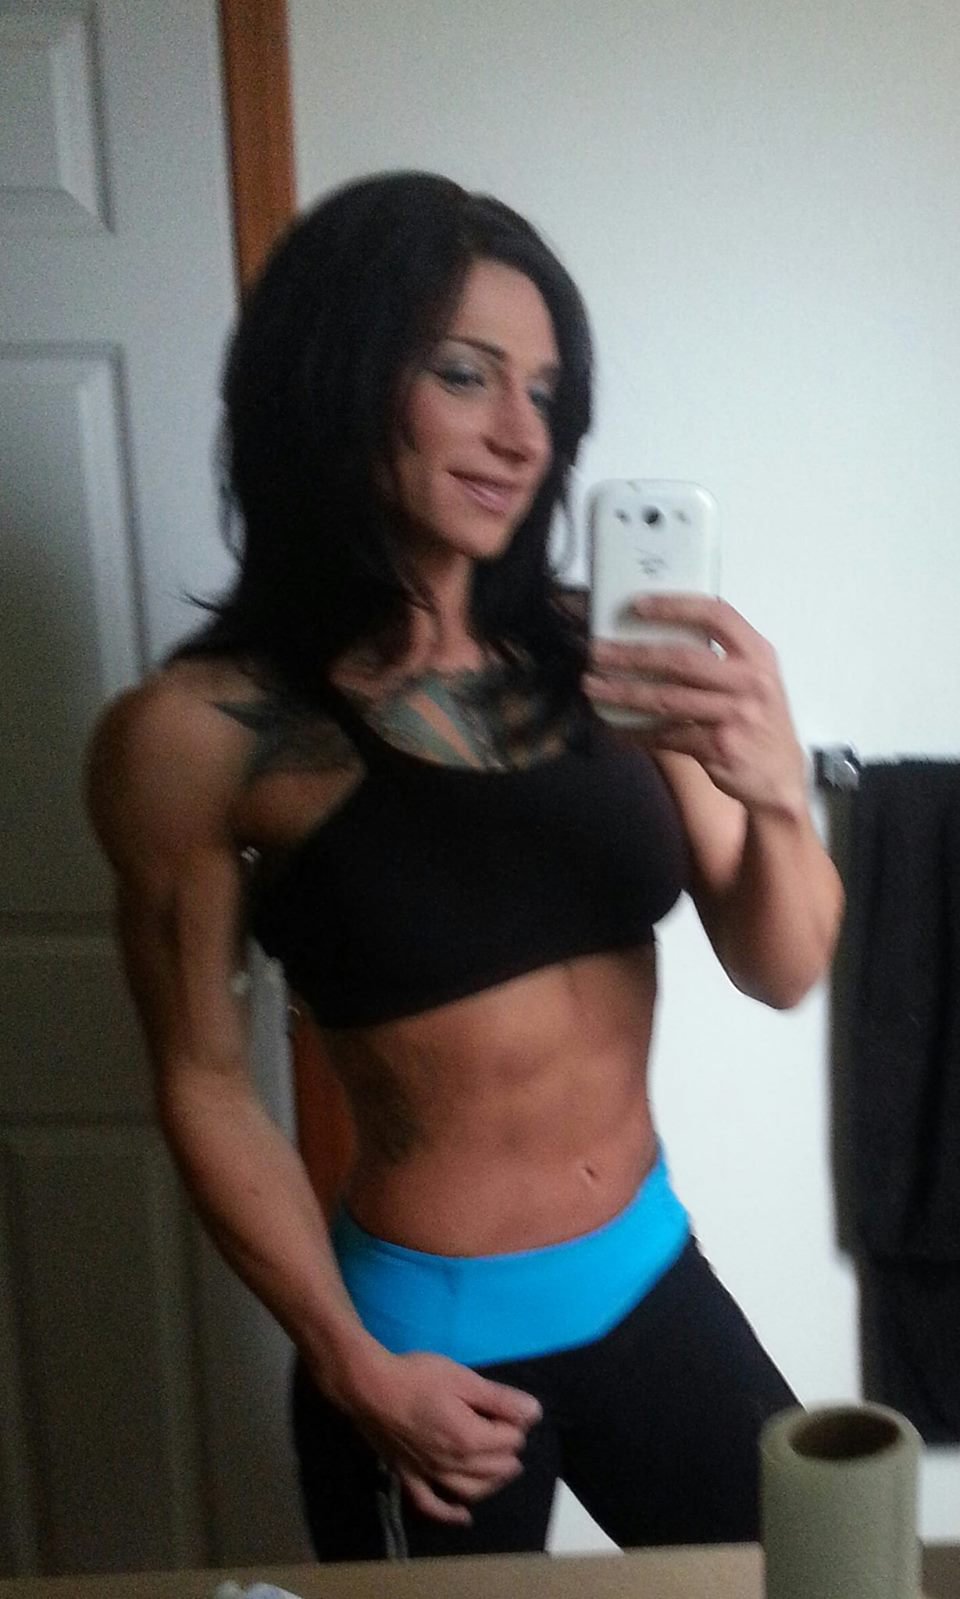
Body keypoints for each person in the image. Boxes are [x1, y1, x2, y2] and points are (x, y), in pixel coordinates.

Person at [87, 171, 844, 1562]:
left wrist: (778, 793)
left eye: (545, 393)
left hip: (652, 1283)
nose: (521, 434)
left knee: (818, 1578)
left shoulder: (616, 654)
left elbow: (782, 967)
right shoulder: (201, 736)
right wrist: (350, 1364)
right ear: (338, 378)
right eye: (464, 374)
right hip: (425, 1354)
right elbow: (202, 1081)